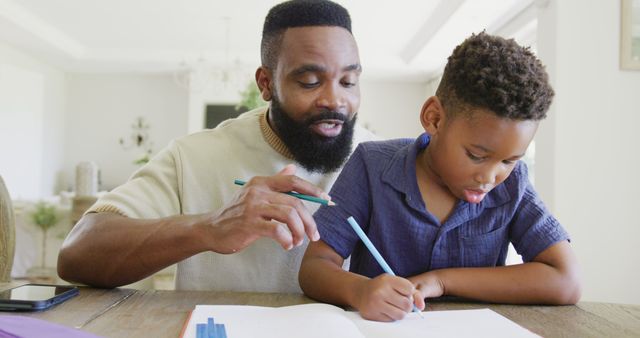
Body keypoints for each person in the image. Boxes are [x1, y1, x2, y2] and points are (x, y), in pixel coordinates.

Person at [58, 0, 375, 292]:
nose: (335, 100)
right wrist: (209, 227)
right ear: (265, 83)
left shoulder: (383, 161)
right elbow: (77, 255)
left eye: (348, 82)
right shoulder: (193, 157)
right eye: (309, 82)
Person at [299, 32, 582, 322]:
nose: (489, 176)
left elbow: (566, 280)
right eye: (476, 155)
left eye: (509, 160)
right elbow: (314, 267)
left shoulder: (514, 183)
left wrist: (442, 280)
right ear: (434, 118)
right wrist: (360, 291)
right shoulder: (372, 165)